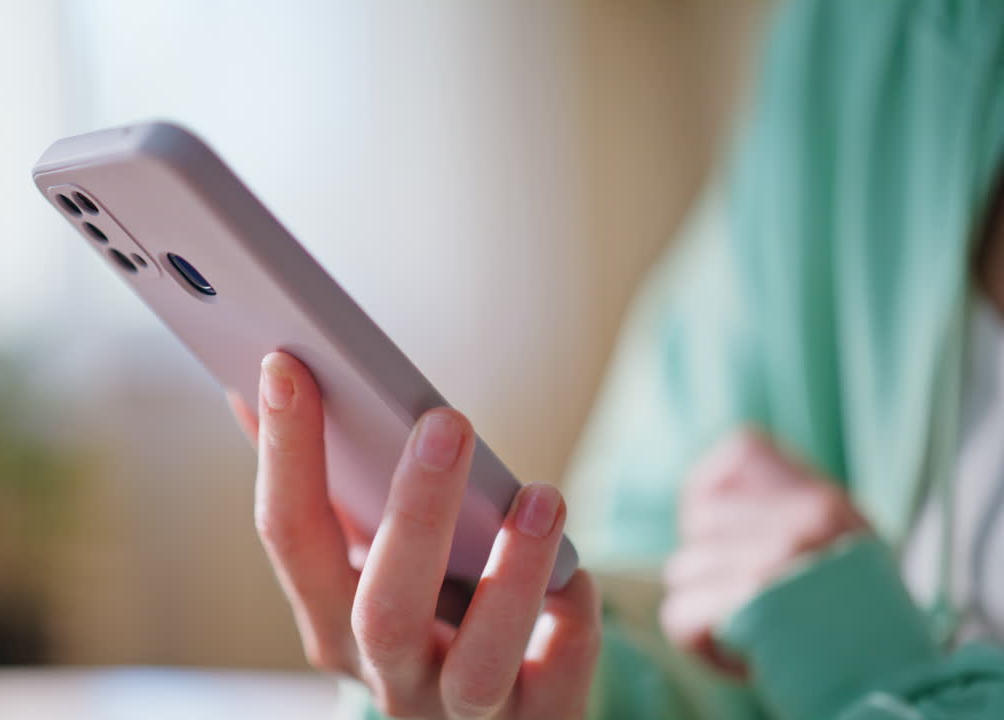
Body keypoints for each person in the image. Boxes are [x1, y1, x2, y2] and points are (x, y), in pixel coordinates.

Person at [226, 0, 1004, 717]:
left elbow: (796, 628)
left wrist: (856, 668)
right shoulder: (868, 36)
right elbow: (651, 569)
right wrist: (550, 682)